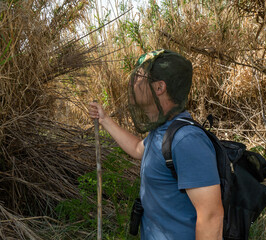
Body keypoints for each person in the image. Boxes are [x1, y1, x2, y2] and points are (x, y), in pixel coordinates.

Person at [89, 49, 224, 240]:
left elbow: (212, 217)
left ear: (159, 87)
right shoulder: (164, 131)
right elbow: (138, 149)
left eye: (139, 78)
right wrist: (104, 120)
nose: (132, 83)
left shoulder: (186, 140)